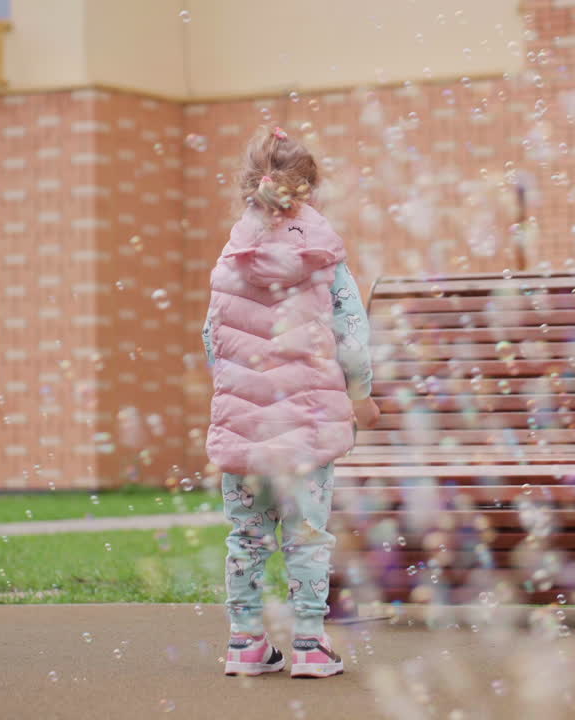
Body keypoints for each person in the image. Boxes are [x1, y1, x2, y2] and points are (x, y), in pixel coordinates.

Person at [202, 126, 380, 679]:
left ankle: (246, 643)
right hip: (306, 423)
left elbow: (212, 336)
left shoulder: (231, 259)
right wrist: (361, 395)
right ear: (307, 190)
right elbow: (351, 332)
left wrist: (234, 386)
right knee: (305, 532)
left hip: (243, 424)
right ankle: (309, 642)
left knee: (247, 535)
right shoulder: (324, 257)